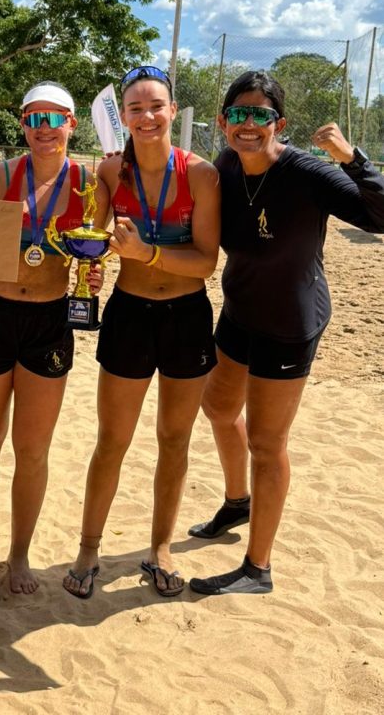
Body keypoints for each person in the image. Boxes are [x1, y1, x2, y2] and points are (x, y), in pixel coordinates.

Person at [187, 70, 384, 595]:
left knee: (268, 444)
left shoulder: (308, 173)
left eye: (261, 115)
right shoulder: (226, 165)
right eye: (238, 114)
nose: (248, 124)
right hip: (239, 312)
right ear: (223, 121)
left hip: (289, 325)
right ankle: (237, 503)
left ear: (280, 123)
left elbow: (379, 215)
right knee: (220, 409)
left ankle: (258, 568)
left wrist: (353, 157)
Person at [63, 65, 220, 600]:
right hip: (129, 313)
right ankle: (89, 549)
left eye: (157, 106)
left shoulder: (200, 174)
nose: (147, 116)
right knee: (112, 441)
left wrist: (148, 252)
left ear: (173, 112)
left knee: (175, 440)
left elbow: (205, 264)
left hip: (186, 316)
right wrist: (93, 252)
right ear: (123, 116)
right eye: (136, 108)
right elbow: (95, 236)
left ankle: (160, 549)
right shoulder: (109, 172)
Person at [0, 81, 106, 599]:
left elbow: (92, 255)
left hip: (50, 320)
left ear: (71, 124)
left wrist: (94, 274)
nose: (44, 129)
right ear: (22, 125)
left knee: (32, 449)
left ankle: (18, 555)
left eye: (53, 118)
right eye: (33, 119)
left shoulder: (88, 185)